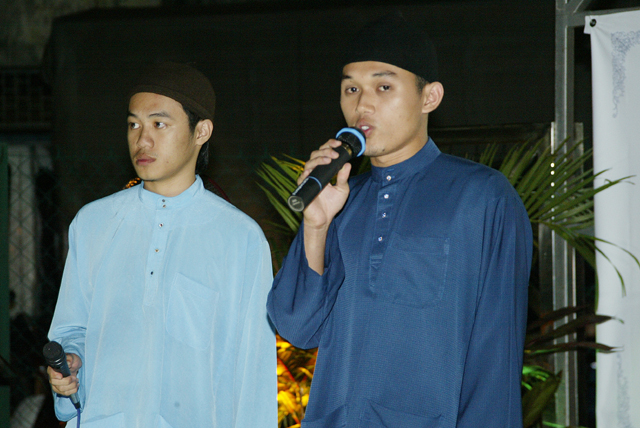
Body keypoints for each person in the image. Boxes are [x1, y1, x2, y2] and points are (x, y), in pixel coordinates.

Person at [267, 14, 533, 428]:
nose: (362, 105)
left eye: (384, 87)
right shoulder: (340, 201)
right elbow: (298, 327)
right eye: (351, 89)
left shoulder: (482, 196)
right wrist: (316, 225)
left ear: (430, 97)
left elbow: (496, 352)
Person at [47, 61, 276, 427]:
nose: (142, 140)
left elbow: (253, 374)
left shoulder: (239, 239)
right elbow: (71, 329)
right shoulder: (93, 224)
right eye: (133, 124)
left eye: (159, 124)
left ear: (201, 131)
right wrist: (71, 363)